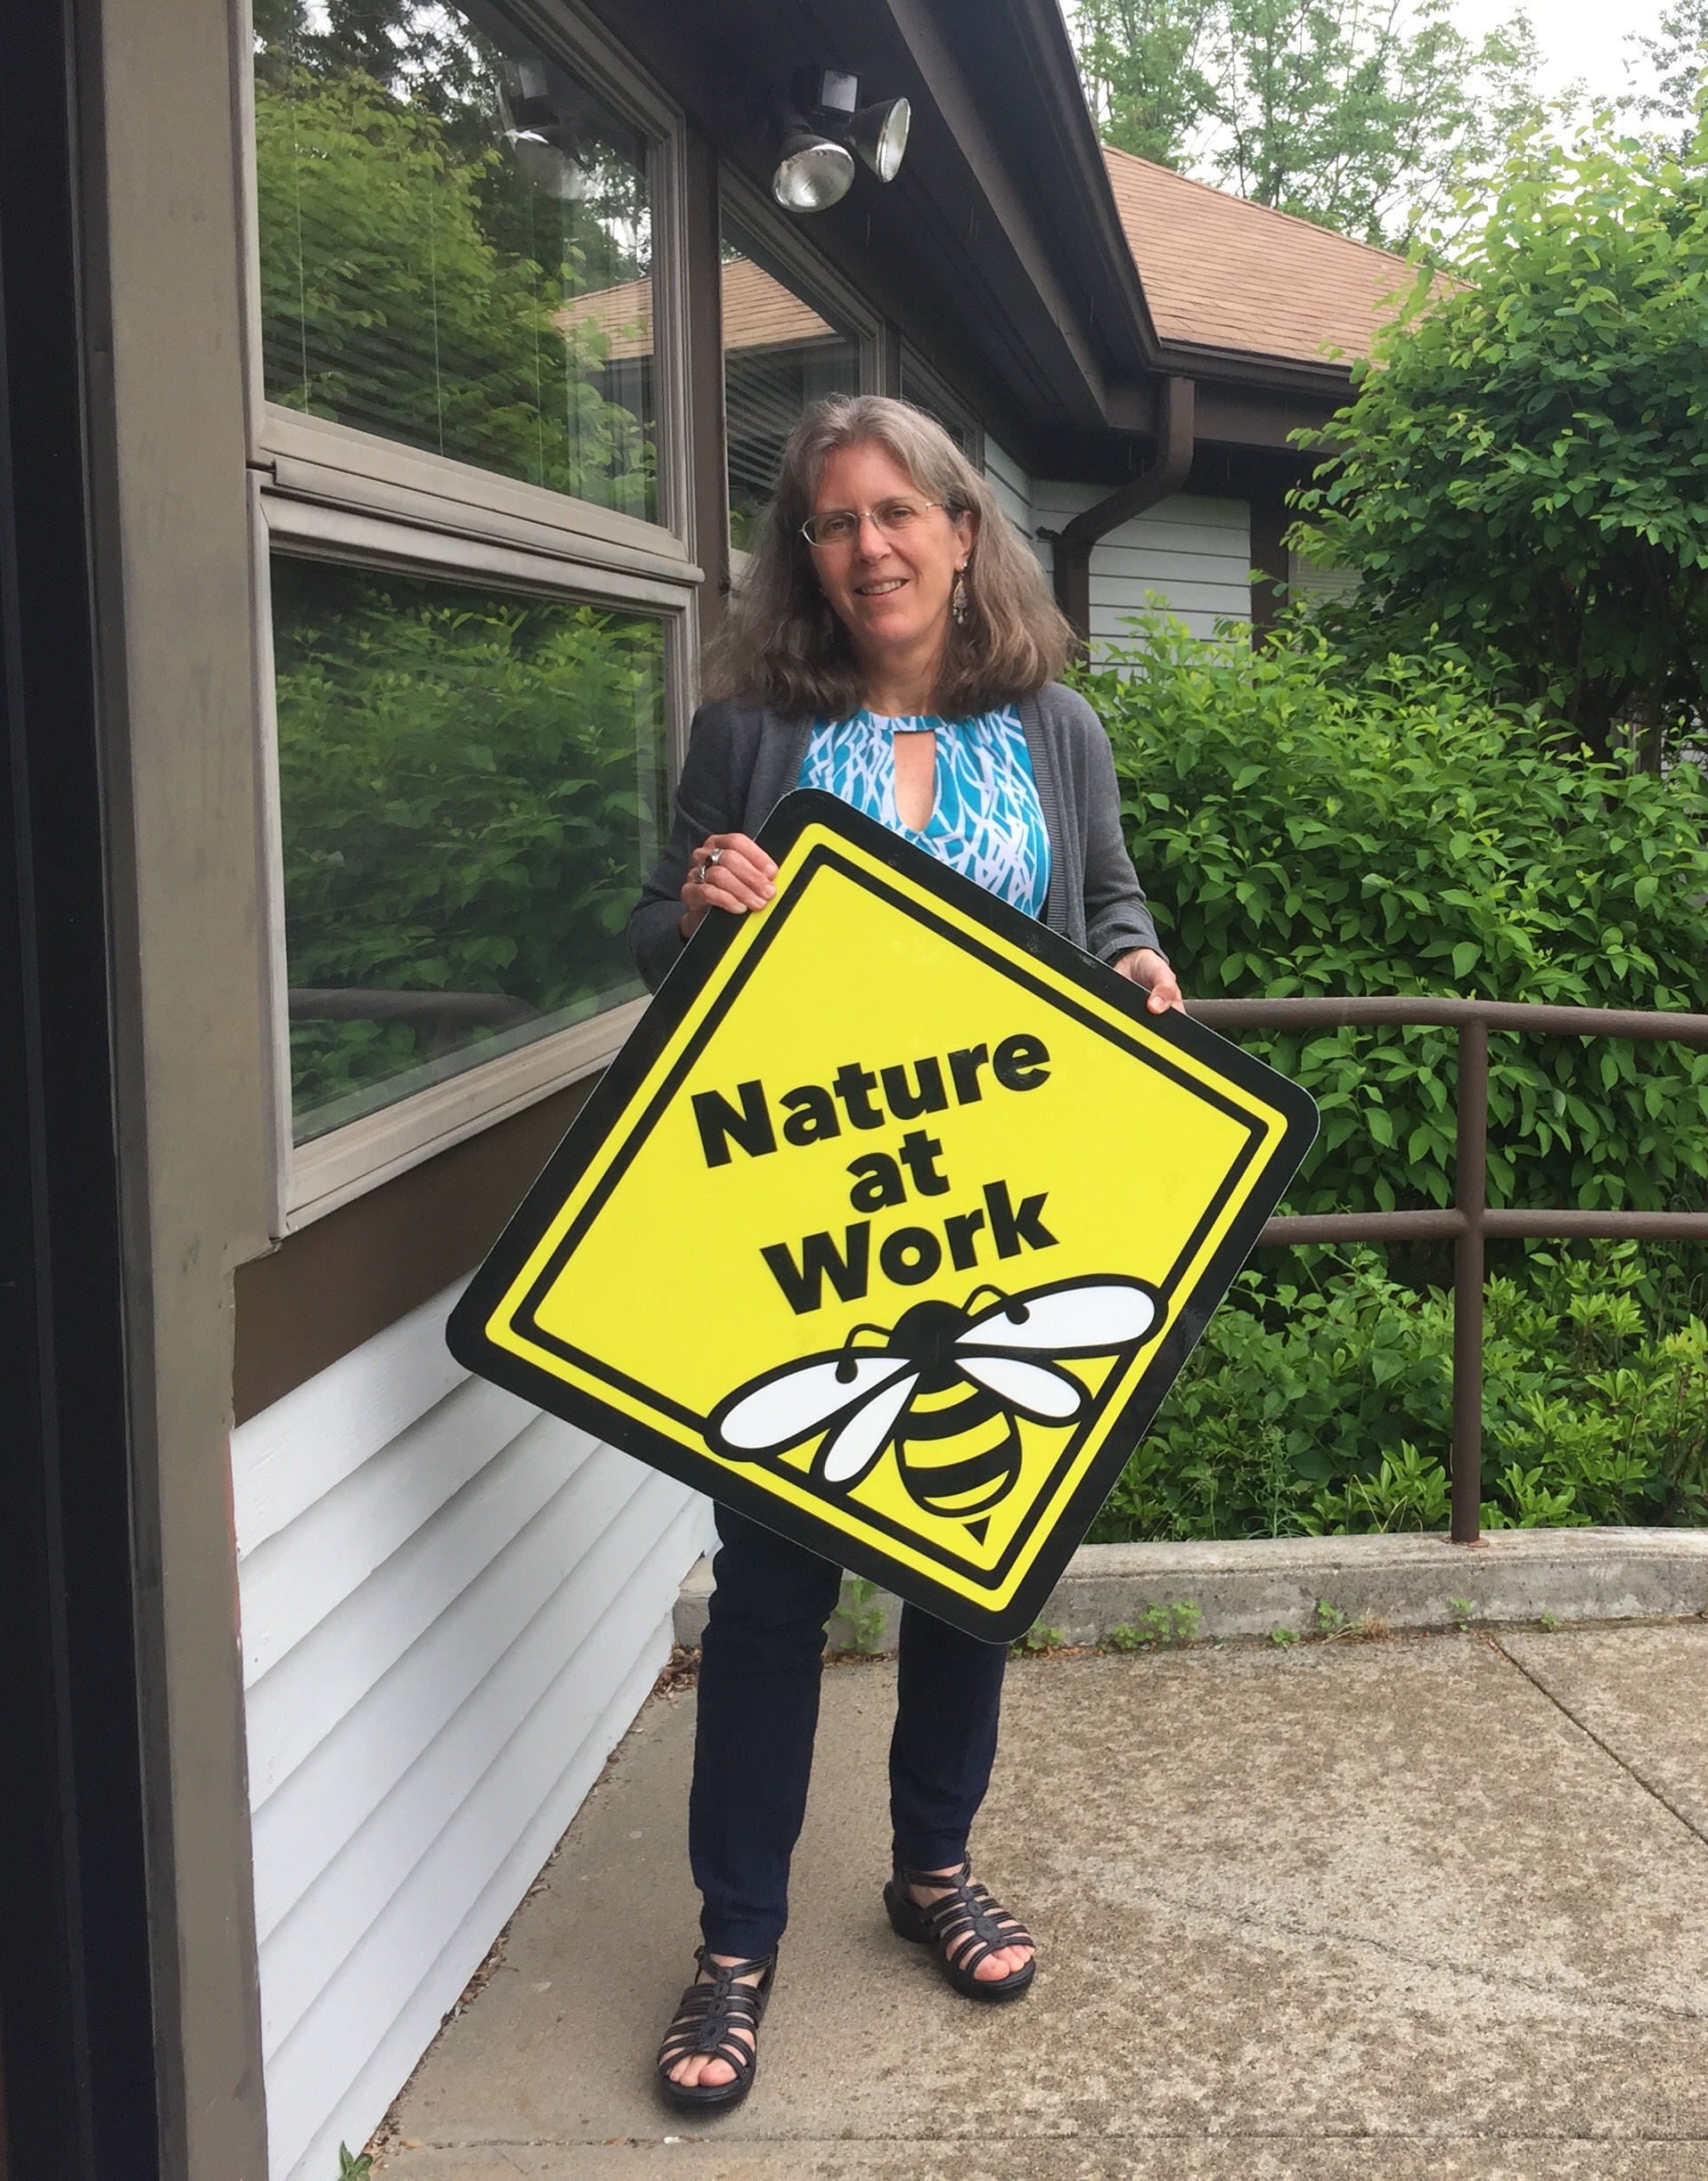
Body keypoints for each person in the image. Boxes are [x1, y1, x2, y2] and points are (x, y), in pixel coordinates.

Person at [625, 394, 1181, 2113]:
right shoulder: (748, 729)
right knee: (775, 1582)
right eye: (832, 523)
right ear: (809, 556)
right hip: (806, 1232)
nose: (866, 547)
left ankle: (931, 1869)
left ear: (959, 530)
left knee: (966, 1562)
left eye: (896, 514)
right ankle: (735, 1944)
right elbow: (656, 936)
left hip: (1007, 1221)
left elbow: (1105, 906)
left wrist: (1143, 971)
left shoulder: (1054, 731)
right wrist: (701, 909)